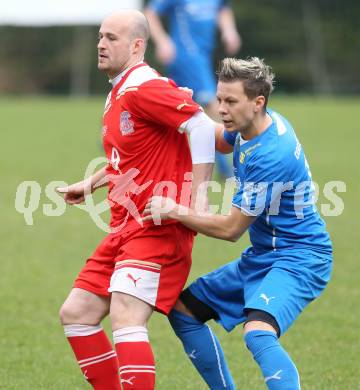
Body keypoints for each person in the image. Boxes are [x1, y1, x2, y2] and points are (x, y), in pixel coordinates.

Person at [144, 57, 333, 389]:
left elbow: (231, 229)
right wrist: (178, 113)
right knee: (183, 312)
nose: (221, 109)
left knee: (258, 333)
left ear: (258, 102)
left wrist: (174, 210)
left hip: (300, 258)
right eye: (219, 99)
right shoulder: (251, 127)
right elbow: (215, 136)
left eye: (230, 101)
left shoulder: (271, 153)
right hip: (265, 255)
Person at [56, 10, 217, 390]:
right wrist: (92, 183)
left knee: (127, 316)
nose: (100, 44)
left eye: (111, 38)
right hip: (126, 226)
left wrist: (199, 198)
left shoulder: (143, 86)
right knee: (77, 313)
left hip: (157, 227)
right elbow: (131, 155)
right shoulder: (120, 89)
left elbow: (200, 126)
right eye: (100, 36)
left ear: (137, 45)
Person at [144, 0, 241, 179]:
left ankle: (127, 137)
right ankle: (229, 169)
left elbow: (223, 10)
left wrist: (229, 31)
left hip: (202, 56)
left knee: (172, 110)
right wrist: (163, 41)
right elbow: (150, 13)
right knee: (215, 108)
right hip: (186, 56)